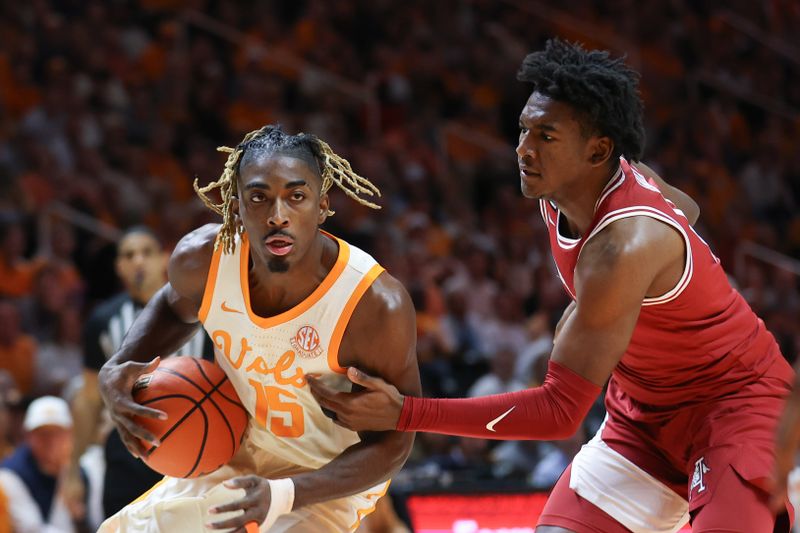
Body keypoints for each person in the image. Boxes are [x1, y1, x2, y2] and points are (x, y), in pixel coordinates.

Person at [309, 39, 794, 532]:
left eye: (545, 135)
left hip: (736, 405)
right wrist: (615, 297)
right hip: (643, 416)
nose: (523, 149)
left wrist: (405, 413)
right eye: (523, 129)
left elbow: (560, 412)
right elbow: (686, 210)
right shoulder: (573, 190)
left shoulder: (623, 245)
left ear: (597, 149)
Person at [96, 125, 420, 532]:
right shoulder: (204, 260)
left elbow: (395, 441)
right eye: (259, 197)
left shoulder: (373, 304)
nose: (278, 215)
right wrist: (122, 363)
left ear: (322, 207)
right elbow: (173, 303)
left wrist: (286, 492)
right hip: (238, 446)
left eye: (296, 197)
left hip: (327, 478)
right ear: (235, 207)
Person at [62, 227, 212, 522]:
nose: (138, 261)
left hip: (191, 442)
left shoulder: (203, 313)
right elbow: (89, 398)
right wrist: (72, 471)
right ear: (119, 267)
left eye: (146, 252)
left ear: (164, 258)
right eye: (129, 255)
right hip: (128, 447)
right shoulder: (102, 320)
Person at [0, 396, 89, 533]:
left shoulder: (84, 469)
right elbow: (33, 530)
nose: (51, 441)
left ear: (70, 434)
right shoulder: (9, 474)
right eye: (42, 434)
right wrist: (63, 483)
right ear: (27, 436)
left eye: (58, 433)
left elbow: (100, 520)